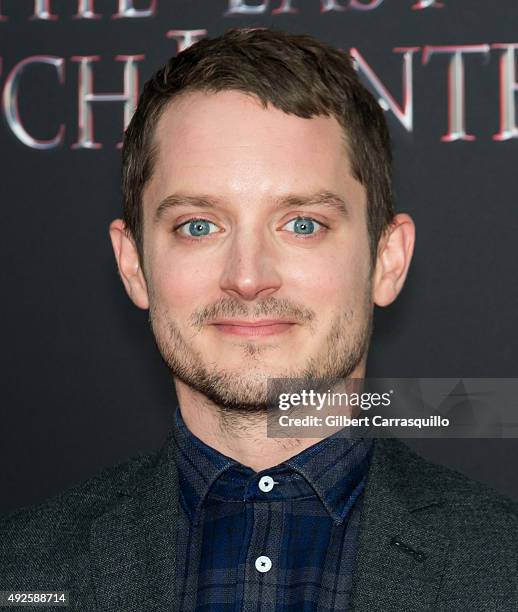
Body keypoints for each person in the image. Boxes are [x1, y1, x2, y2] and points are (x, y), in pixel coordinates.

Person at [1, 28, 517, 612]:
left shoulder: (505, 567)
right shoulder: (21, 569)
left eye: (302, 224)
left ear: (387, 260)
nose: (247, 277)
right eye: (199, 225)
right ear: (134, 266)